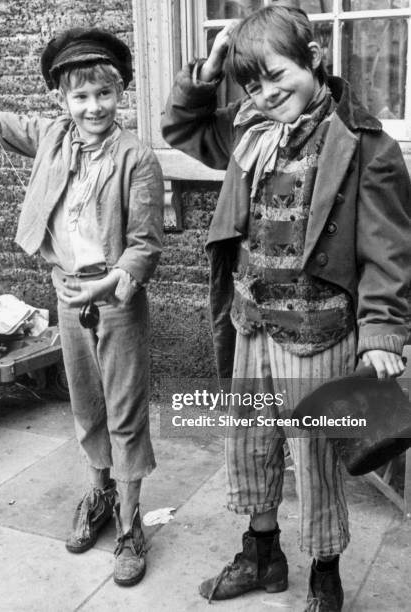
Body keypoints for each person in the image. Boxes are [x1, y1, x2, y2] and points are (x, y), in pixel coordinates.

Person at [162, 5, 410, 611]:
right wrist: (210, 70)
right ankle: (263, 551)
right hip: (251, 321)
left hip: (320, 333)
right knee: (250, 442)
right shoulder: (249, 128)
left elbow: (390, 253)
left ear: (315, 60)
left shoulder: (365, 146)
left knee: (318, 455)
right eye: (253, 84)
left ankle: (326, 572)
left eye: (278, 76)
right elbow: (181, 131)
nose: (267, 93)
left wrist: (381, 332)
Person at [0, 1, 163, 587]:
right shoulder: (51, 137)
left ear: (120, 92)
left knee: (124, 409)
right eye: (80, 97)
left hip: (117, 300)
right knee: (86, 406)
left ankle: (131, 525)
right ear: (61, 100)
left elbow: (145, 246)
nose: (93, 107)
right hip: (66, 292)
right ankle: (98, 496)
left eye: (104, 94)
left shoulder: (138, 158)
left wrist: (116, 284)